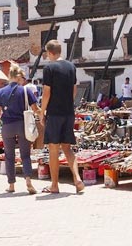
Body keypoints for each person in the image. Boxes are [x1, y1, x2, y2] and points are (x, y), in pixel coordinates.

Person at [40, 40, 84, 194]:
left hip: (55, 112)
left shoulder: (48, 68)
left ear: (49, 52)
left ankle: (54, 185)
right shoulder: (71, 67)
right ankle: (77, 178)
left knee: (53, 149)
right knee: (67, 148)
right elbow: (74, 90)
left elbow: (46, 93)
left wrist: (42, 112)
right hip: (68, 112)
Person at [0, 63, 40, 194]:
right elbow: (35, 109)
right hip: (22, 126)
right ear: (19, 77)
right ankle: (28, 181)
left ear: (9, 76)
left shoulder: (1, 92)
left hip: (7, 127)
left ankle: (11, 185)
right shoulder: (26, 90)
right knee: (25, 155)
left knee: (9, 156)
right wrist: (43, 115)